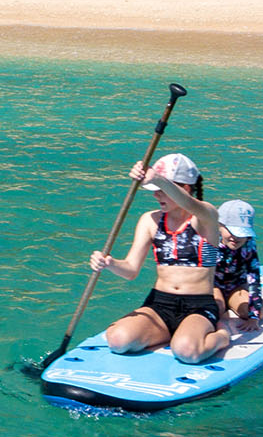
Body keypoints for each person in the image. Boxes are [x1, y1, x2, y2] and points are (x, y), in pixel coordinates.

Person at [87, 153, 229, 363]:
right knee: (118, 341)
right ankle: (171, 333)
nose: (157, 196)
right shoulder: (150, 220)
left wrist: (158, 178)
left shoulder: (205, 217)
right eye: (155, 191)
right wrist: (109, 263)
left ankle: (222, 335)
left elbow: (190, 205)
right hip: (160, 303)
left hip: (198, 305)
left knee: (187, 352)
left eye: (162, 191)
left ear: (185, 188)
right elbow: (131, 270)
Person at [213, 199, 263, 333]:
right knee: (215, 309)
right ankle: (222, 306)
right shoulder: (209, 242)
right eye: (231, 231)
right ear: (219, 225)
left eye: (241, 233)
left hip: (236, 286)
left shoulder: (249, 244)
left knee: (259, 311)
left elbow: (254, 278)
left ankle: (230, 303)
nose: (235, 238)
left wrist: (254, 317)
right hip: (212, 286)